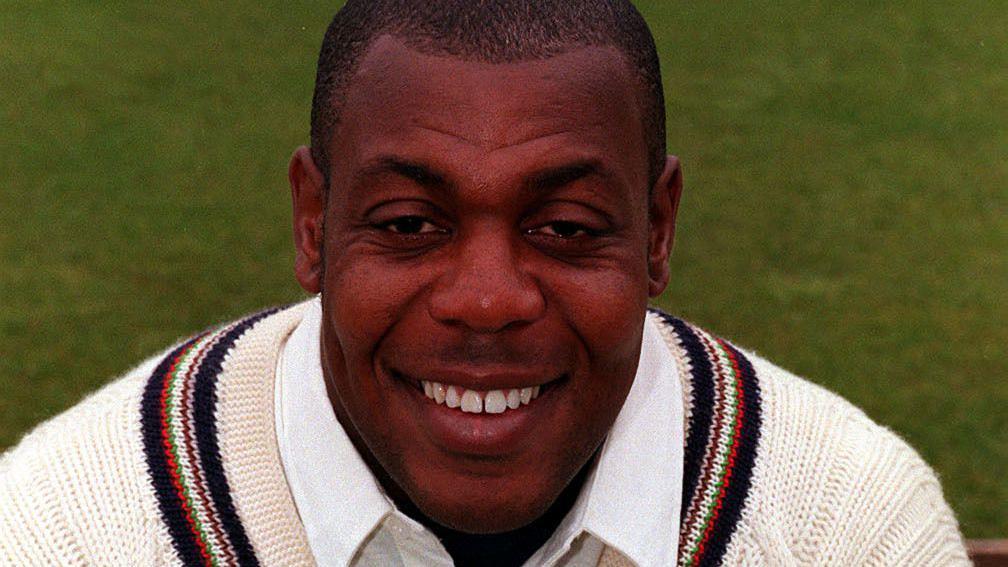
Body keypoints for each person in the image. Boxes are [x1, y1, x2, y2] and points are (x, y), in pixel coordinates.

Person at [0, 1, 969, 565]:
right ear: (312, 222)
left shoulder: (851, 525)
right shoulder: (65, 531)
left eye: (566, 229)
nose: (488, 298)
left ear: (658, 229)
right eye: (410, 226)